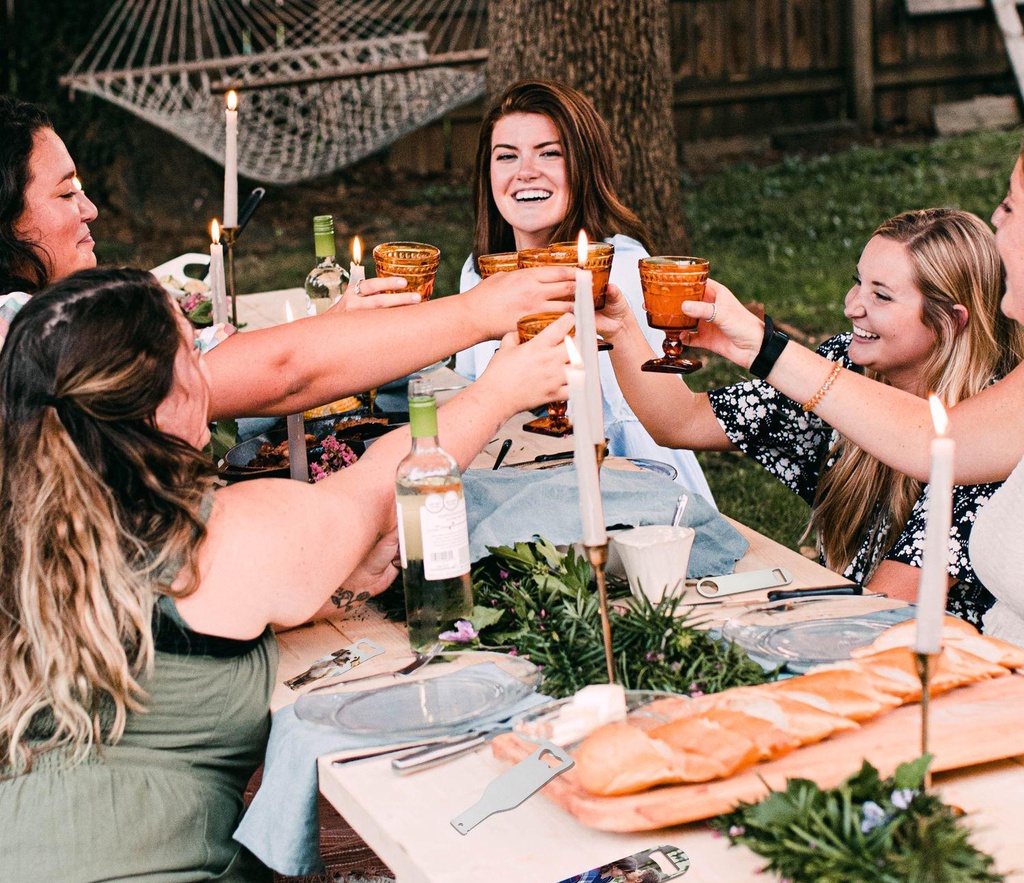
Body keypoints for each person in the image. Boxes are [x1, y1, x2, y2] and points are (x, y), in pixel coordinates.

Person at [0, 267, 571, 883]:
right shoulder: (213, 537)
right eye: (192, 354)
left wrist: (311, 562)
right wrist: (501, 390)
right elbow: (377, 485)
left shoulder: (29, 540)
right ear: (170, 397)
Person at [0, 94, 577, 418]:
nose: (91, 209)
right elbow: (275, 375)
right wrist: (476, 313)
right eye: (65, 191)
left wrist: (337, 328)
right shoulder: (18, 330)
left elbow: (227, 353)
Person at [599, 208, 1024, 626]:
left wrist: (711, 614)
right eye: (858, 282)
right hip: (837, 627)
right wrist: (619, 326)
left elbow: (882, 608)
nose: (852, 306)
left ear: (950, 322)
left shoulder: (988, 440)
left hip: (929, 666)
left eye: (881, 295)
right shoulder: (846, 368)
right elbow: (680, 421)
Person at [453, 79, 715, 504]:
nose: (525, 172)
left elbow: (631, 425)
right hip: (509, 471)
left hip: (623, 486)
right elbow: (468, 387)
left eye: (550, 153)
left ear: (585, 165)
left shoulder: (619, 270)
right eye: (507, 156)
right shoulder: (480, 273)